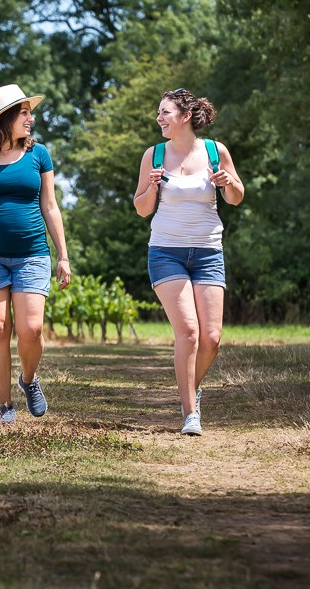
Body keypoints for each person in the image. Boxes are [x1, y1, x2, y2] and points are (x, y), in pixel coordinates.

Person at [0, 84, 71, 424]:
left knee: (32, 329)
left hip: (32, 254)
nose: (31, 118)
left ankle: (29, 380)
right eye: (24, 112)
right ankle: (5, 406)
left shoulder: (39, 155)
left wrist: (63, 255)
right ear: (5, 118)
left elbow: (50, 206)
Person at [133, 88, 244, 436]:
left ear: (184, 116)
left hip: (209, 252)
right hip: (166, 251)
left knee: (211, 337)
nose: (159, 119)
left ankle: (188, 388)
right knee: (190, 332)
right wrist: (151, 188)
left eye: (165, 112)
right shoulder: (153, 155)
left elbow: (237, 197)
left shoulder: (215, 151)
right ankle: (190, 412)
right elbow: (141, 207)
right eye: (158, 113)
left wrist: (228, 183)